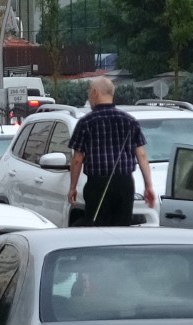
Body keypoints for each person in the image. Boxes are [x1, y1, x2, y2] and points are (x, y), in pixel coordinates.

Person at [66, 76, 155, 226]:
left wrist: (72, 188)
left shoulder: (86, 123)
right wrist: (148, 186)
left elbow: (77, 159)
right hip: (125, 184)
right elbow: (141, 155)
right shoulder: (129, 121)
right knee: (122, 228)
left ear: (94, 93)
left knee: (98, 228)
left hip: (97, 184)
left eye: (89, 93)